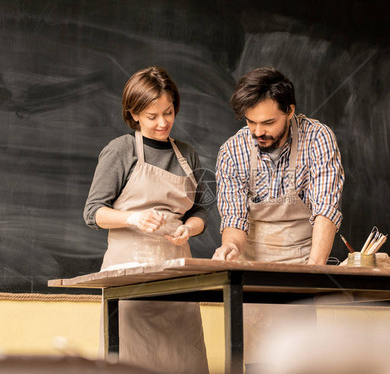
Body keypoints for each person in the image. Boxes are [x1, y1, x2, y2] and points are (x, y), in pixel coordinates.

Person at [83, 67, 209, 373]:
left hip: (176, 276)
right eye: (151, 116)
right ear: (134, 114)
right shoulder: (121, 150)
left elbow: (201, 211)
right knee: (129, 360)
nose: (162, 122)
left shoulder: (188, 155)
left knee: (183, 359)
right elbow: (93, 212)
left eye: (168, 112)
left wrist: (188, 228)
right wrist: (133, 218)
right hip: (128, 277)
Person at [213, 67, 344, 265]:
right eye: (251, 122)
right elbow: (234, 220)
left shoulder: (317, 138)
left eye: (268, 122)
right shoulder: (232, 151)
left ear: (290, 111)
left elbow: (325, 211)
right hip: (250, 268)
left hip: (305, 264)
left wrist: (314, 270)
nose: (258, 132)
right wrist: (230, 247)